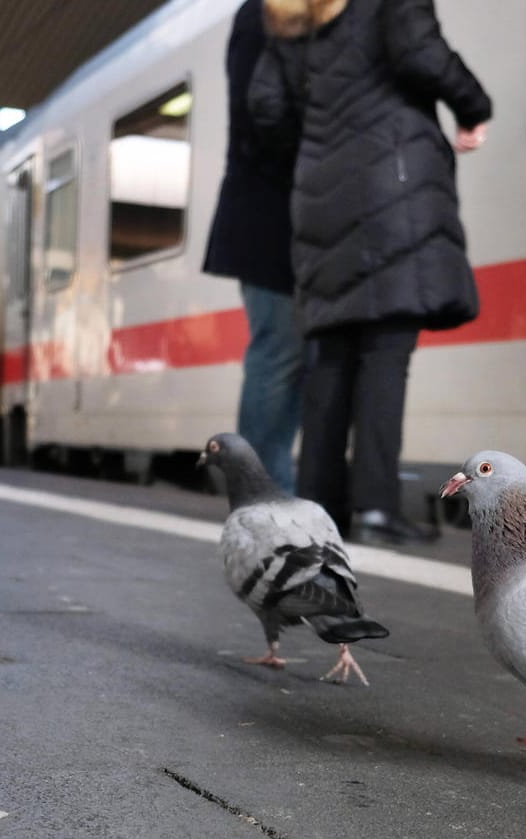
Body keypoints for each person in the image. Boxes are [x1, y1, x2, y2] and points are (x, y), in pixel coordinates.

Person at [251, 0, 491, 544]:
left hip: (319, 195)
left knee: (332, 355)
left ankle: (321, 511)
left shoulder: (291, 17)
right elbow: (421, 53)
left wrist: (319, 146)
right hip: (391, 188)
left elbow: (264, 105)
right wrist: (474, 107)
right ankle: (376, 509)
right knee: (386, 352)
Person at [202, 0, 304, 492]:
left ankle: (268, 486)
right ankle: (260, 489)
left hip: (285, 218)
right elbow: (259, 115)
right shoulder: (259, 16)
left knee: (286, 358)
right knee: (278, 354)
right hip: (269, 220)